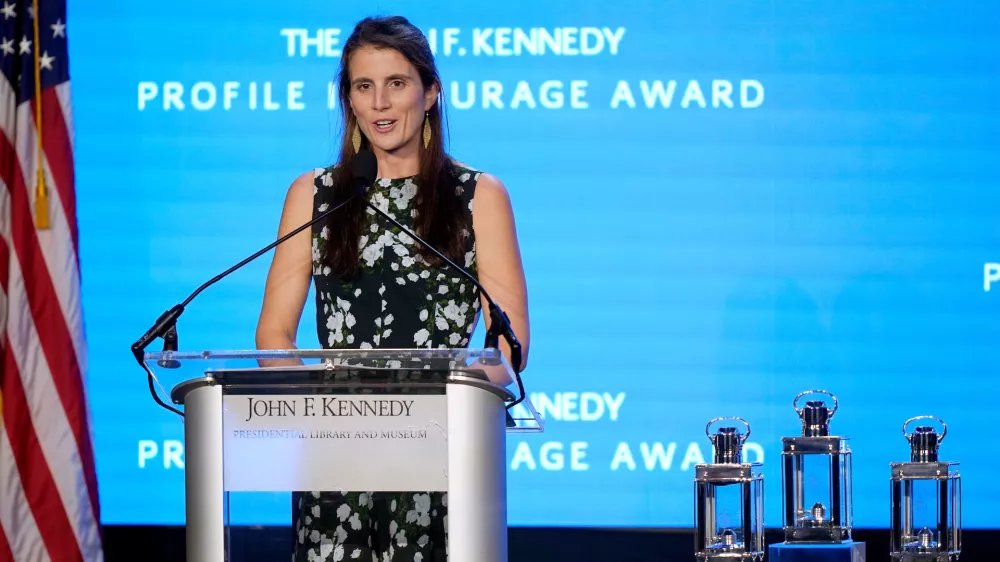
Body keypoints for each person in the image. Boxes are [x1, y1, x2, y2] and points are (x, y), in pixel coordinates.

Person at [254, 15, 531, 562]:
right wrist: (326, 413)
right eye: (364, 86)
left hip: (442, 454)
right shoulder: (315, 194)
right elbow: (273, 333)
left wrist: (431, 412)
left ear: (430, 93)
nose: (380, 103)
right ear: (349, 101)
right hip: (334, 460)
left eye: (397, 84)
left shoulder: (476, 195)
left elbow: (509, 344)